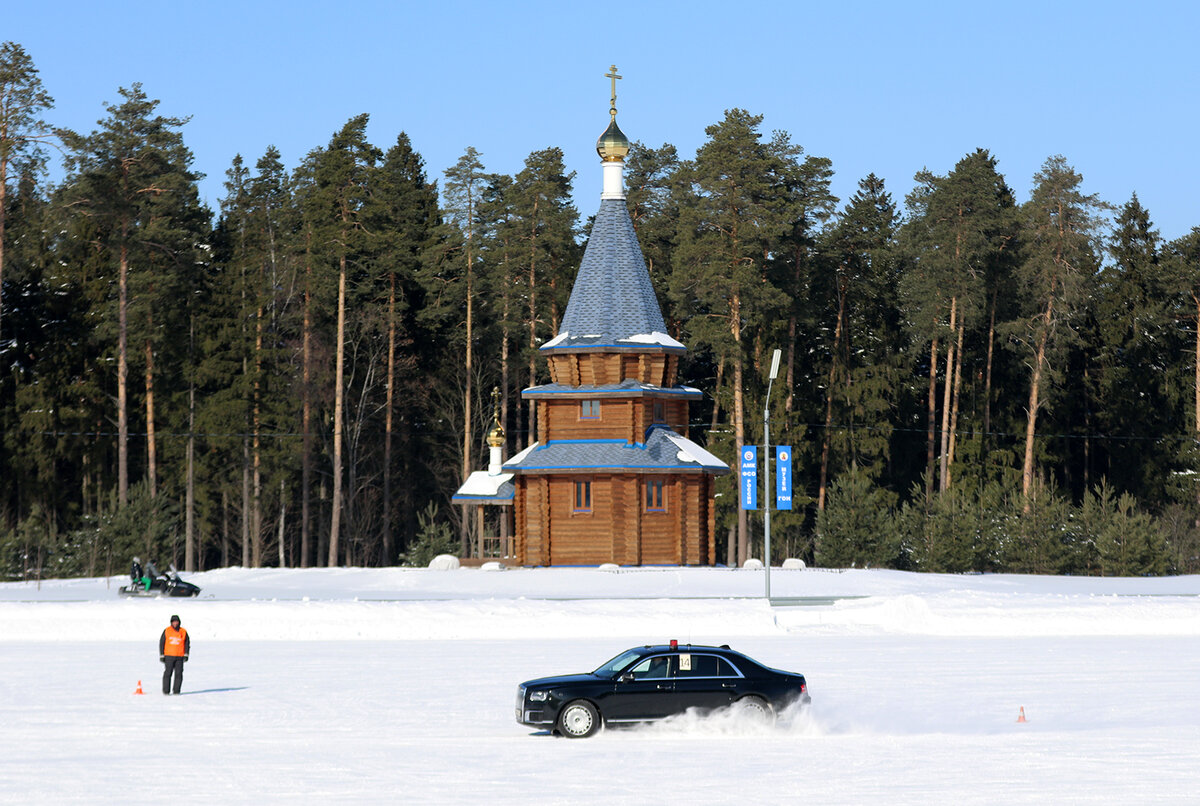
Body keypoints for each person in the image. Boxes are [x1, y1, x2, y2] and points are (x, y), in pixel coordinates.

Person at [159, 615, 190, 695]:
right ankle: (166, 691)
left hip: (180, 656)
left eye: (176, 622)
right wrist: (162, 655)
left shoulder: (183, 631)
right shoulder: (167, 630)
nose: (175, 623)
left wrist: (186, 654)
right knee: (168, 673)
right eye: (173, 622)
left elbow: (187, 643)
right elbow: (162, 643)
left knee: (179, 674)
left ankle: (176, 691)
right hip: (169, 656)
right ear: (171, 622)